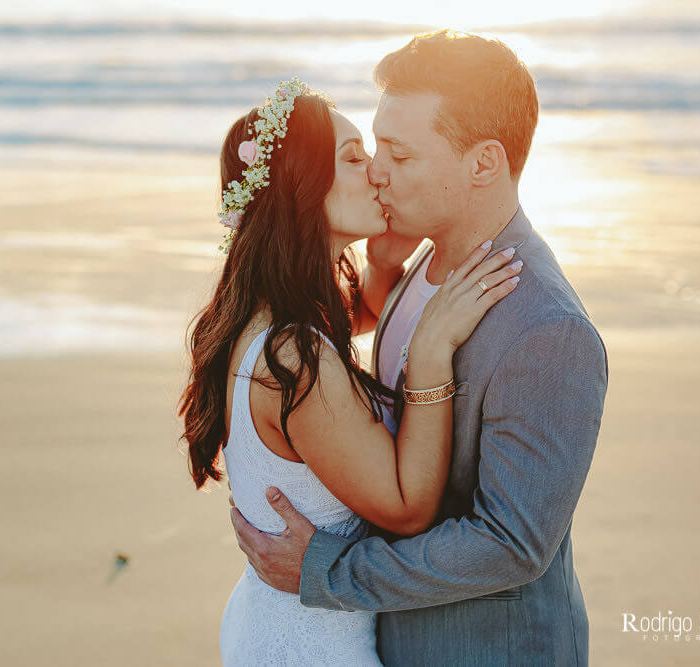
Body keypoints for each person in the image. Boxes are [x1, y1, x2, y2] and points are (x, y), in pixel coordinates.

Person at [229, 31, 609, 666]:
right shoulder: (417, 263)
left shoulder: (547, 331)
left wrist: (330, 570)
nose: (377, 170)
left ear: (483, 163)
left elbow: (513, 544)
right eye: (374, 148)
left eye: (399, 156)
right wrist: (379, 273)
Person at [178, 76, 522, 665]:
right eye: (354, 157)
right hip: (310, 643)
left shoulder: (260, 312)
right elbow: (406, 505)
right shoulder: (292, 360)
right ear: (305, 190)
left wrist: (385, 260)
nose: (378, 172)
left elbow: (357, 313)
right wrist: (432, 354)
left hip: (277, 618)